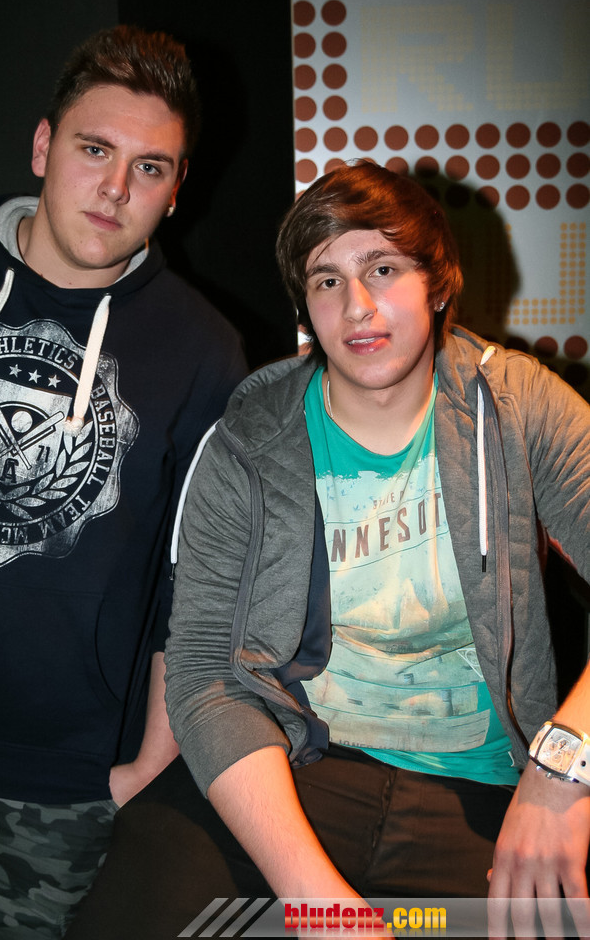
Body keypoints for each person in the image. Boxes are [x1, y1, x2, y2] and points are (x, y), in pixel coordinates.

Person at [165, 162, 588, 933]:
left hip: (476, 784)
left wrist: (562, 769)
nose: (356, 306)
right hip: (292, 763)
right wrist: (319, 904)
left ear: (437, 283)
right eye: (326, 280)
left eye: (382, 269)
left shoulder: (520, 405)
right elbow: (202, 672)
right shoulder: (248, 440)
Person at [0, 24, 246, 938]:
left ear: (176, 189)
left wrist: (148, 763)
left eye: (149, 168)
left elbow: (197, 582)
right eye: (95, 150)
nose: (115, 188)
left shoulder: (202, 347)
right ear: (43, 146)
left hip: (52, 791)